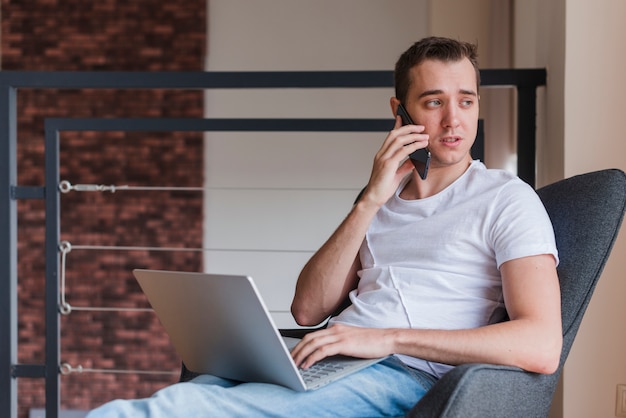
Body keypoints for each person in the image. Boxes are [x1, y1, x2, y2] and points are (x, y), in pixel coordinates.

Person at [87, 36, 562, 418]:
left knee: (173, 410)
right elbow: (308, 308)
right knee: (203, 387)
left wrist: (385, 337)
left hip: (403, 378)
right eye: (434, 102)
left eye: (466, 101)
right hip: (331, 362)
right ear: (399, 112)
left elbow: (541, 345)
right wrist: (370, 199)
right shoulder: (381, 200)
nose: (453, 120)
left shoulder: (506, 199)